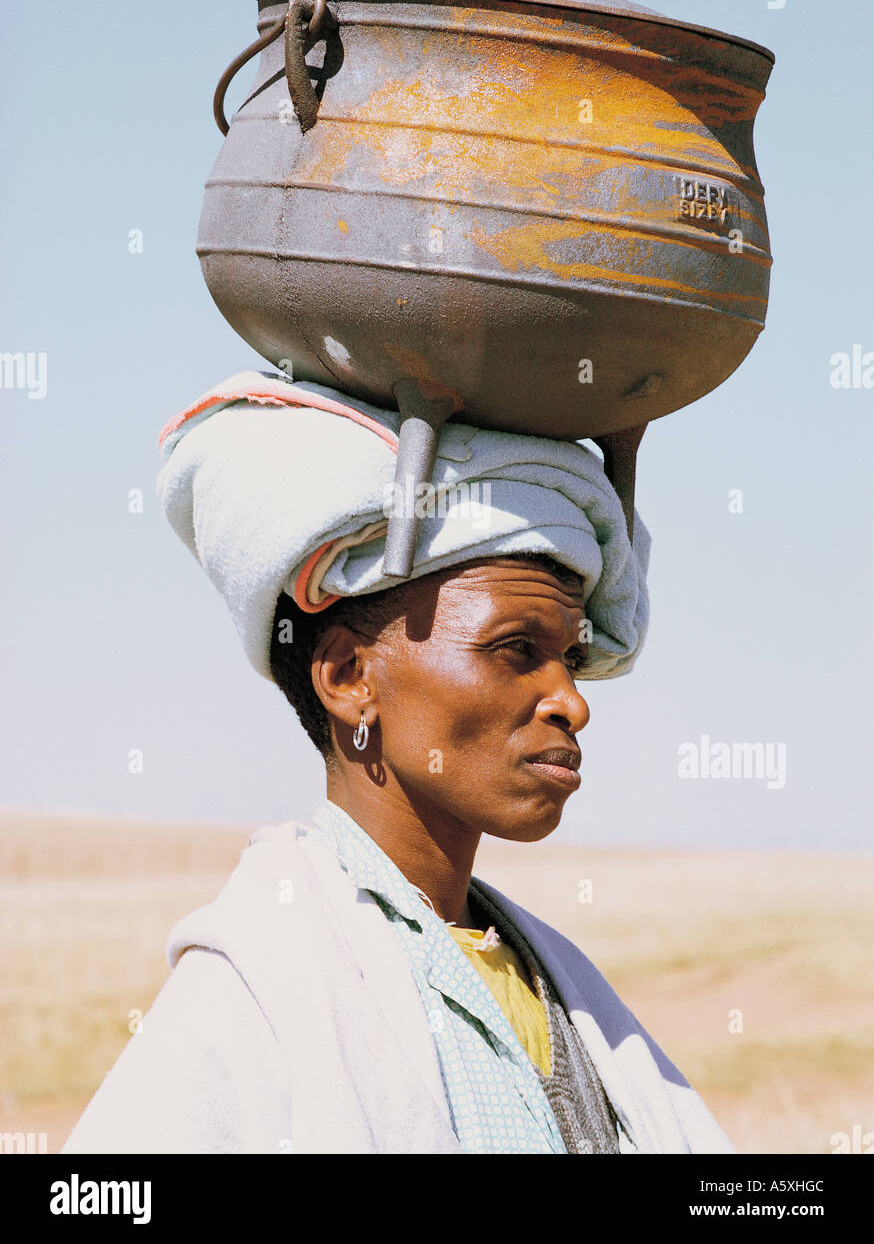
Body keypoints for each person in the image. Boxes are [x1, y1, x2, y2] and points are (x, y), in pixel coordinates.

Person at [61, 371, 733, 1155]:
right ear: (350, 678)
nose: (571, 702)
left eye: (572, 657)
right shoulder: (259, 991)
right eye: (518, 650)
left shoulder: (563, 984)